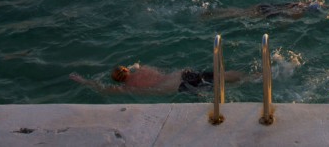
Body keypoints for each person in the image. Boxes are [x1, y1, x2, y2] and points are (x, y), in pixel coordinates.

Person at [70, 63, 243, 95]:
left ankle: (247, 80)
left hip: (179, 86)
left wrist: (84, 81)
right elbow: (137, 66)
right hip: (182, 74)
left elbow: (103, 89)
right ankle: (252, 77)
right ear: (126, 69)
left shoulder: (128, 88)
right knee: (220, 76)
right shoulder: (143, 68)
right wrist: (134, 67)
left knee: (215, 88)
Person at [207, 0, 328, 20]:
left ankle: (210, 12)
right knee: (240, 14)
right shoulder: (300, 12)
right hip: (268, 12)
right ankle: (210, 16)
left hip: (266, 6)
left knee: (240, 11)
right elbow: (286, 20)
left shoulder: (299, 3)